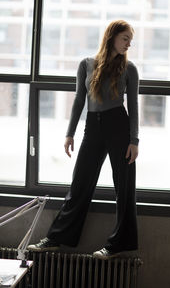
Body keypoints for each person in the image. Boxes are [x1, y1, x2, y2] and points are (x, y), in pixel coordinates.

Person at [28, 19, 139, 259]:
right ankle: (56, 239)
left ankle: (118, 244)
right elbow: (79, 100)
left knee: (125, 187)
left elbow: (134, 106)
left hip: (119, 126)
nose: (129, 44)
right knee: (79, 184)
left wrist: (135, 140)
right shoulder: (86, 64)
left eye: (131, 40)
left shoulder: (130, 69)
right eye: (125, 38)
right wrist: (69, 133)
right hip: (93, 126)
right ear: (112, 37)